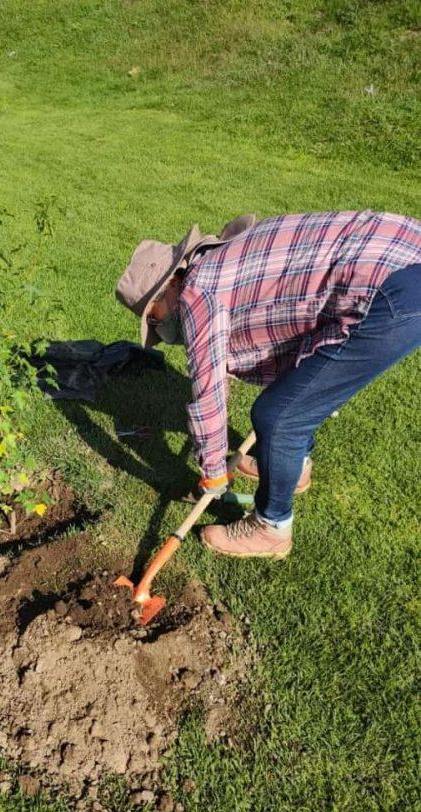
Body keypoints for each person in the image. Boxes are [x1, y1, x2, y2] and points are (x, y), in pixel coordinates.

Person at [116, 210, 421, 557]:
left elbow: (208, 393)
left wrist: (214, 474)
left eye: (155, 318)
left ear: (171, 284)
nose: (162, 331)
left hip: (391, 291)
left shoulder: (197, 294)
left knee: (278, 417)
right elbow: (290, 322)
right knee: (295, 393)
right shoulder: (217, 260)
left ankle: (270, 528)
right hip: (403, 252)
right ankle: (294, 468)